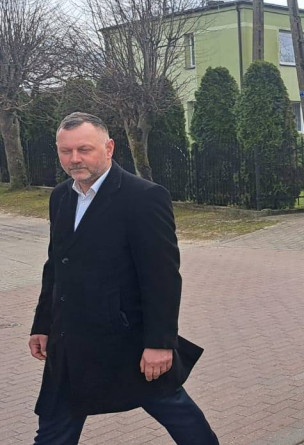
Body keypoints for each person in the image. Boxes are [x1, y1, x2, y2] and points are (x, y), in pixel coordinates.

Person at [28, 112, 217, 444]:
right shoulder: (61, 196)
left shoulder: (142, 197)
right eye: (65, 151)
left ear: (109, 147)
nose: (74, 159)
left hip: (124, 339)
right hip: (69, 340)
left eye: (84, 149)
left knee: (175, 410)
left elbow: (162, 277)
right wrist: (42, 323)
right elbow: (56, 265)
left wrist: (160, 343)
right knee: (54, 428)